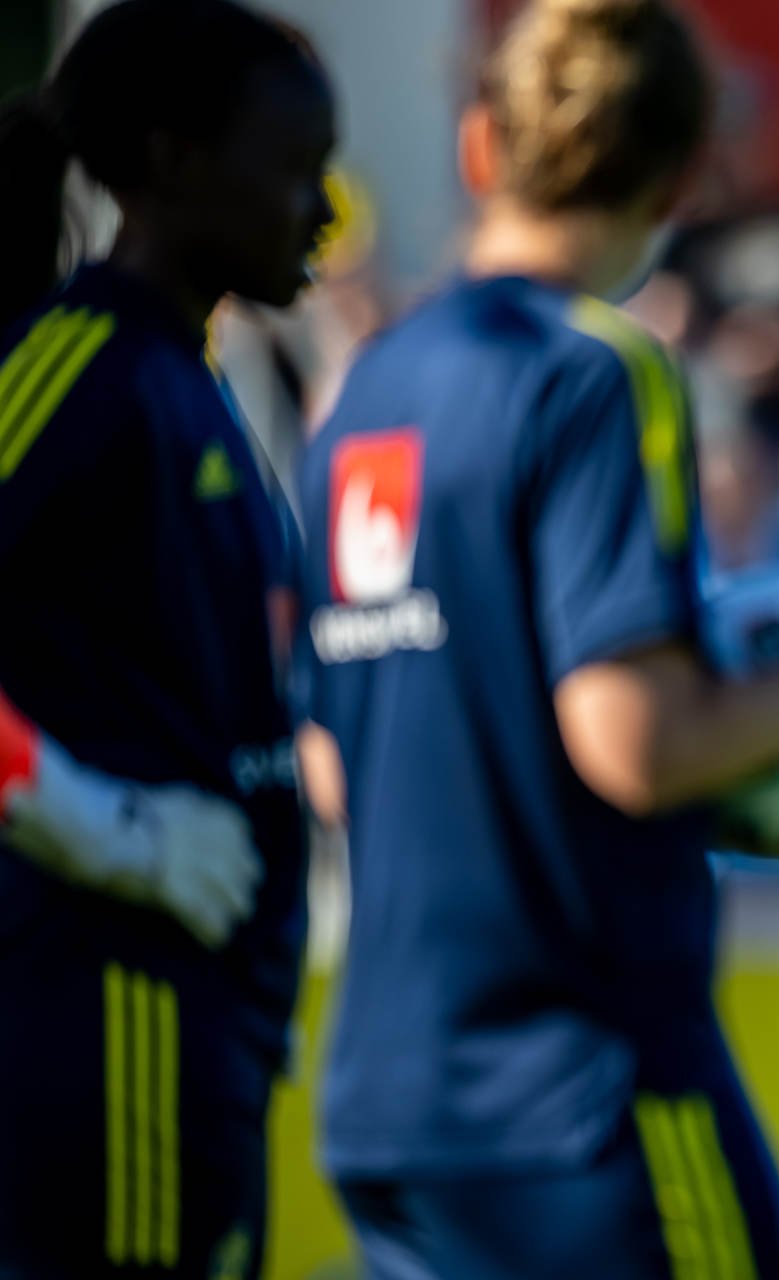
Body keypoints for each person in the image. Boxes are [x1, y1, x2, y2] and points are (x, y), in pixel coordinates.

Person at [291, 2, 779, 1276]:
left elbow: (333, 757)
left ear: (482, 146)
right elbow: (635, 742)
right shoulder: (596, 370)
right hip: (584, 1098)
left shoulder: (370, 382)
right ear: (681, 172)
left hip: (388, 1100)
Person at [0, 2, 335, 1276]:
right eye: (297, 169)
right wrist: (95, 821)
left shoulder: (185, 380)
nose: (324, 212)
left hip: (200, 1014)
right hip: (112, 1001)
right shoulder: (76, 364)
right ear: (177, 163)